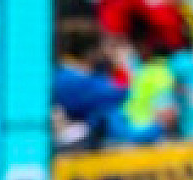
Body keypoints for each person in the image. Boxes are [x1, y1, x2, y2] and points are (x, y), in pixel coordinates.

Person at [52, 18, 166, 149]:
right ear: (91, 51)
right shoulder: (82, 83)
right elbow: (121, 95)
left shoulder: (57, 76)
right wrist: (122, 65)